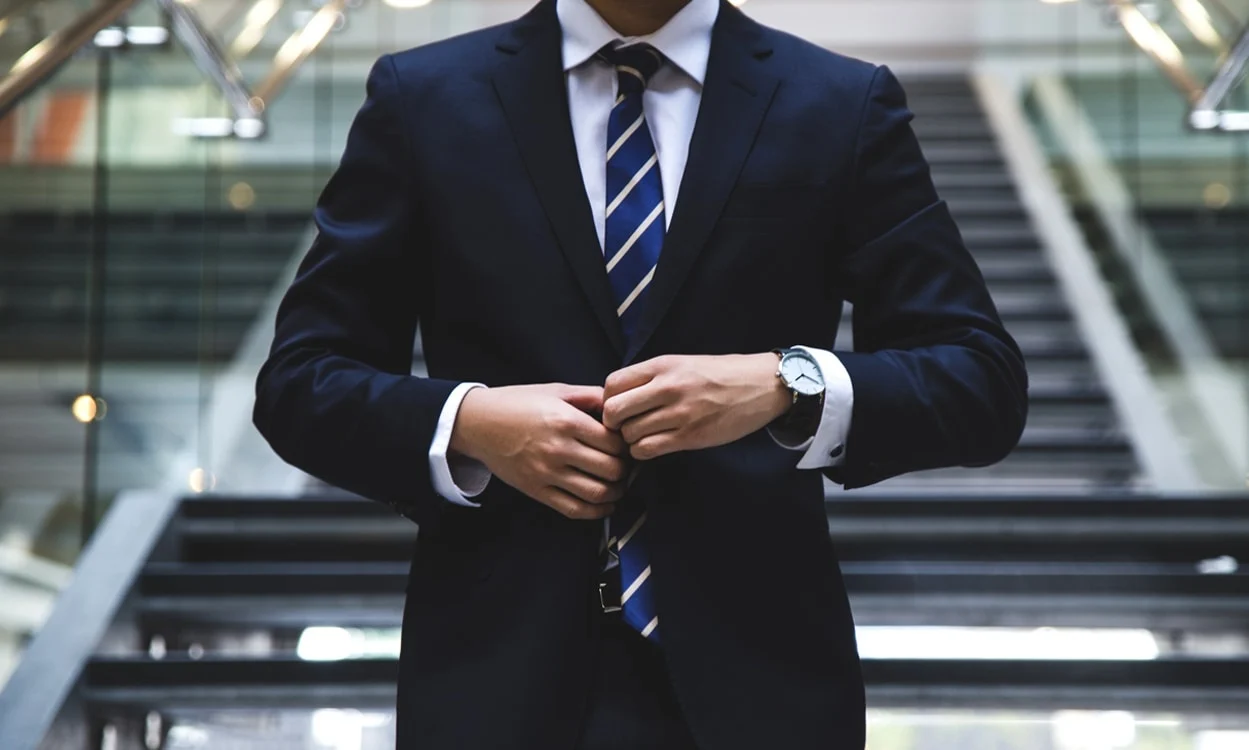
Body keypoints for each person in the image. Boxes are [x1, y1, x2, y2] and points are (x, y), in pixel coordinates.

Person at [253, 0, 1028, 746]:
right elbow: (299, 382)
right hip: (492, 678)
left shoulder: (838, 102)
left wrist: (787, 384)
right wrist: (471, 425)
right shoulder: (422, 97)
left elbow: (978, 380)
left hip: (762, 684)